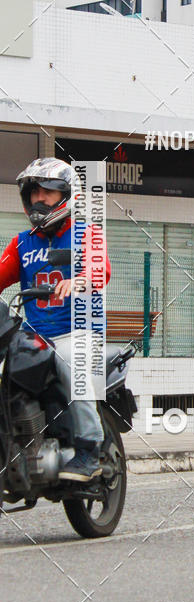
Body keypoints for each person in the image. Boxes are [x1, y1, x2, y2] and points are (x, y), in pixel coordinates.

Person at [0, 158, 111, 482]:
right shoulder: (22, 243)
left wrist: (78, 281)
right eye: (34, 192)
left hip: (76, 333)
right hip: (34, 336)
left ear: (66, 195)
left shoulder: (86, 234)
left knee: (70, 362)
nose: (39, 199)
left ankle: (90, 450)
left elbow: (99, 270)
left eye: (47, 192)